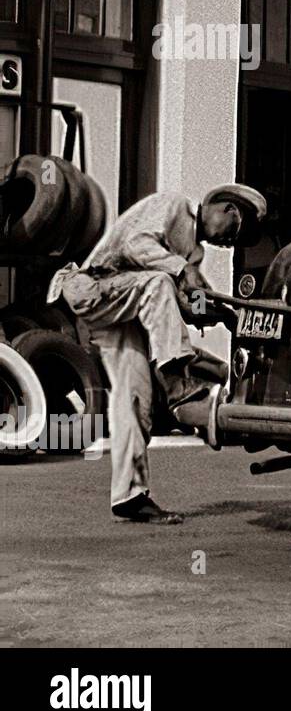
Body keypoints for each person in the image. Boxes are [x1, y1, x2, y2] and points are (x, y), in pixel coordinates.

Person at [47, 184, 266, 524]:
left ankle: (131, 496)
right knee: (159, 285)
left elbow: (186, 305)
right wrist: (180, 270)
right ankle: (179, 386)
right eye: (235, 230)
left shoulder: (194, 255)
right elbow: (136, 246)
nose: (230, 241)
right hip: (93, 286)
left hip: (123, 314)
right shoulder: (174, 206)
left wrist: (225, 314)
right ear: (225, 208)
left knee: (135, 398)